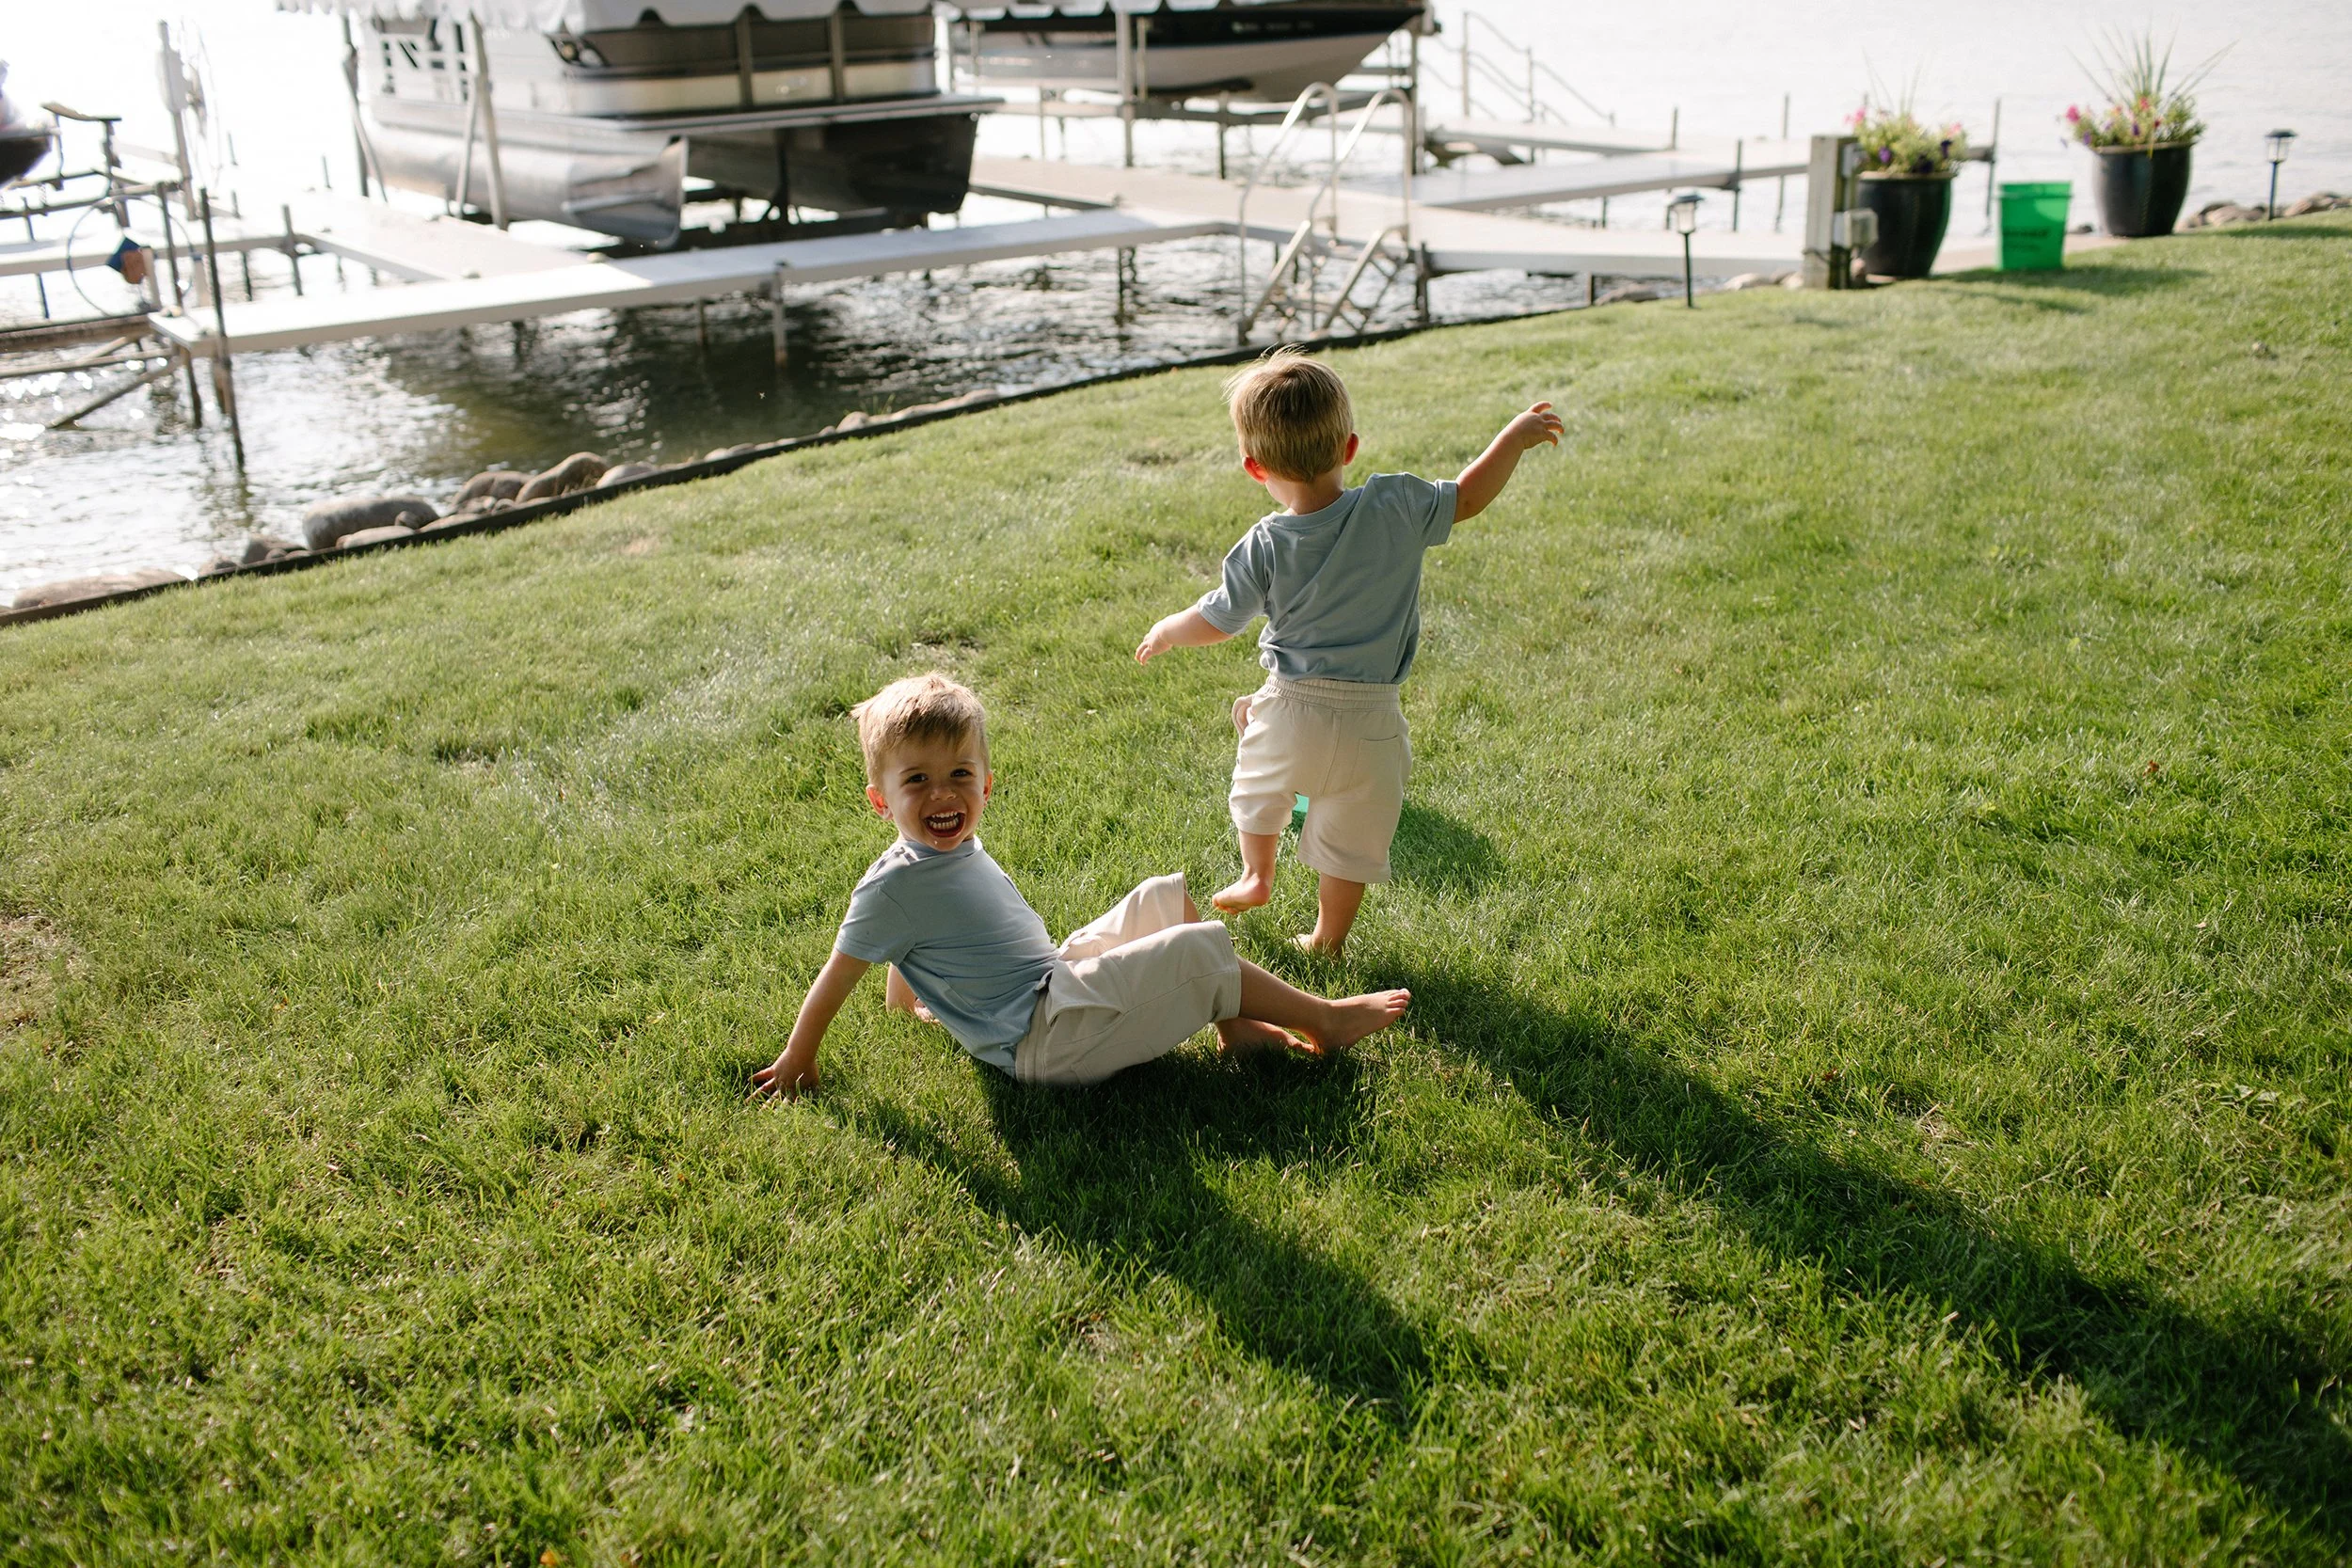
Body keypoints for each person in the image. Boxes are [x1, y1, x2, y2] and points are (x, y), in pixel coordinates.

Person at [751, 673, 1411, 1099]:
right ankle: (1324, 1020)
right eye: (916, 780)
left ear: (987, 782)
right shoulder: (892, 886)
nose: (942, 793)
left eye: (958, 773)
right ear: (880, 800)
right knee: (1200, 948)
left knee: (1165, 897)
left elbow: (911, 944)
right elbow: (840, 973)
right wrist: (797, 1058)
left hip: (1052, 979)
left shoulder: (935, 855)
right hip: (1045, 1038)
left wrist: (912, 1005)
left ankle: (1236, 1028)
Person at [1134, 347, 1563, 957]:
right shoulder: (1394, 506)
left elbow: (1218, 618)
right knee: (1350, 839)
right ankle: (1327, 939)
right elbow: (1467, 497)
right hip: (1373, 721)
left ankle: (1258, 873)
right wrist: (1512, 439)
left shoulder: (1266, 543)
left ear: (1254, 468)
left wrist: (1170, 629)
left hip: (1290, 712)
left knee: (1256, 788)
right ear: (1349, 448)